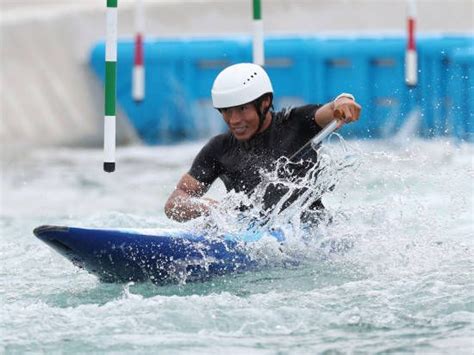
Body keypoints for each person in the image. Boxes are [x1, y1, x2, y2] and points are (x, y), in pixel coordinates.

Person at [165, 63, 361, 222]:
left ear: (265, 103)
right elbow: (175, 203)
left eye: (242, 109)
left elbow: (330, 110)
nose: (234, 120)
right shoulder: (219, 148)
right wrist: (208, 207)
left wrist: (343, 101)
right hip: (252, 238)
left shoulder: (296, 123)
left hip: (308, 234)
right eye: (226, 111)